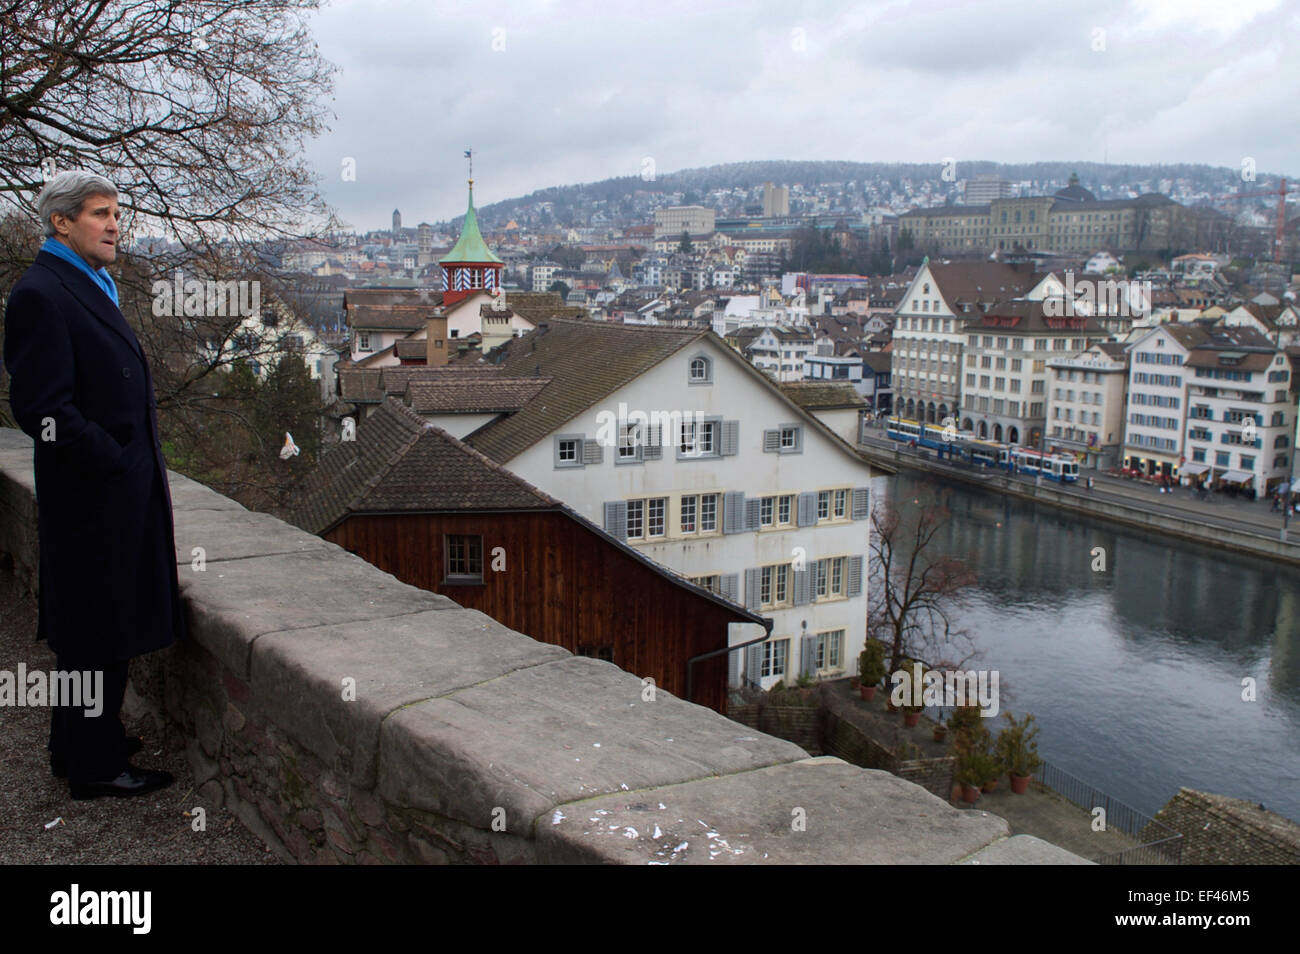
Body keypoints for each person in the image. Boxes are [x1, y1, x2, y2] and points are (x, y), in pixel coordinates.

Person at [3, 171, 183, 799]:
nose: (114, 225)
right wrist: (111, 457)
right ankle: (95, 767)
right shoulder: (42, 294)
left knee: (98, 626)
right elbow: (40, 408)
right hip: (91, 496)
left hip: (109, 491)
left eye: (116, 214)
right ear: (61, 222)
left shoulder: (82, 282)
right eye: (100, 214)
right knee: (95, 632)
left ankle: (73, 743)